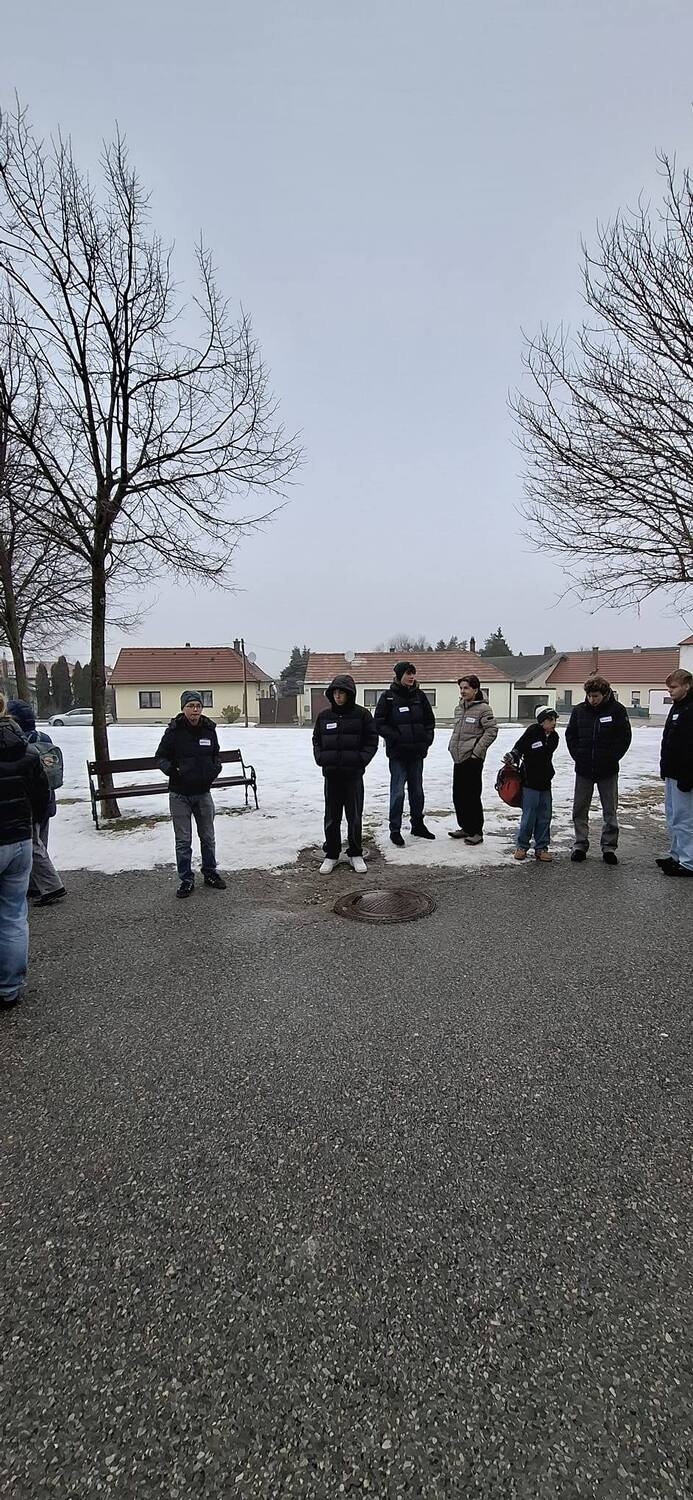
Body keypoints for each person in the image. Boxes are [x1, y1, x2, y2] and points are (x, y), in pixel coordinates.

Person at [0, 689, 51, 1008]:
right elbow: (42, 797)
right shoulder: (26, 749)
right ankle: (9, 987)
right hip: (19, 841)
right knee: (13, 915)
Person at [155, 689, 227, 898]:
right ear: (183, 708)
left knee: (208, 837)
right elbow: (160, 757)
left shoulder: (209, 730)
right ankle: (186, 879)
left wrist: (214, 770)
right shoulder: (173, 731)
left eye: (198, 706)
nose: (195, 710)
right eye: (190, 706)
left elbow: (215, 755)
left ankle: (210, 873)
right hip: (180, 795)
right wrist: (173, 770)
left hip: (203, 793)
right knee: (183, 840)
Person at [312, 674, 379, 873]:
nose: (338, 696)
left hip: (353, 776)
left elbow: (371, 741)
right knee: (332, 817)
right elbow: (316, 739)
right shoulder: (324, 716)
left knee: (354, 816)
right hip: (331, 775)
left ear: (350, 694)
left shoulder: (362, 715)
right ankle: (331, 854)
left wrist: (360, 760)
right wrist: (321, 758)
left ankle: (355, 853)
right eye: (335, 693)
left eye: (342, 692)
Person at [565, 675, 632, 865]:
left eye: (595, 696)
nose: (592, 700)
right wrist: (579, 756)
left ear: (605, 694)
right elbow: (571, 735)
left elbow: (624, 738)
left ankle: (609, 847)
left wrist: (611, 758)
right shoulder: (579, 710)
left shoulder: (617, 710)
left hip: (608, 770)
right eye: (589, 696)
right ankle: (580, 845)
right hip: (584, 769)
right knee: (580, 809)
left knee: (610, 810)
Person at [7, 698, 66, 907]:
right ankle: (35, 885)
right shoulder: (43, 737)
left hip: (29, 801)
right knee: (40, 841)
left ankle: (52, 886)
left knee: (32, 845)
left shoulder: (19, 742)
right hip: (47, 797)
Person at [374, 662, 436, 846]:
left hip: (416, 753)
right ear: (399, 675)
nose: (411, 677)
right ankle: (395, 829)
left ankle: (418, 825)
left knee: (417, 792)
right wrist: (396, 737)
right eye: (408, 673)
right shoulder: (387, 697)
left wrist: (426, 740)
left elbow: (429, 721)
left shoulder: (420, 696)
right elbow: (379, 723)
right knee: (398, 793)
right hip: (398, 754)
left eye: (413, 674)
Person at [447, 674, 498, 845]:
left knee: (472, 796)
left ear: (475, 690)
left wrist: (477, 752)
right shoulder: (459, 708)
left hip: (473, 759)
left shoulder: (484, 709)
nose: (463, 691)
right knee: (459, 795)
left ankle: (476, 831)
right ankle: (465, 827)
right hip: (458, 758)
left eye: (466, 688)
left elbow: (491, 731)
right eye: (461, 688)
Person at [506, 708, 559, 862]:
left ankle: (541, 848)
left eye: (555, 720)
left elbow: (546, 754)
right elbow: (519, 747)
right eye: (550, 720)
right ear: (542, 721)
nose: (554, 723)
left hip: (545, 782)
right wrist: (512, 755)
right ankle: (522, 846)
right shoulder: (532, 732)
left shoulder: (554, 737)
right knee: (529, 816)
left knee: (544, 816)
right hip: (530, 782)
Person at [657, 667, 693, 878]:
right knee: (672, 817)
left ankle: (689, 862)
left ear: (687, 686)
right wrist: (664, 767)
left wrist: (688, 776)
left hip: (684, 775)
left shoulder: (691, 709)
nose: (670, 691)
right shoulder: (677, 707)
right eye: (669, 687)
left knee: (685, 819)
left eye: (674, 687)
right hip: (671, 771)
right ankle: (677, 855)